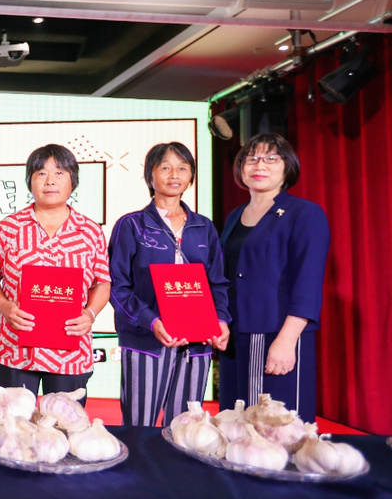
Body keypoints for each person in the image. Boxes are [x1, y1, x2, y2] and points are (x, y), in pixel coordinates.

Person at [108, 142, 230, 427]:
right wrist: (151, 321)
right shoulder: (132, 225)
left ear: (191, 176)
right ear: (150, 176)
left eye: (182, 168)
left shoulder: (203, 227)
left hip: (197, 342)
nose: (174, 175)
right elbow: (117, 286)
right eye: (165, 168)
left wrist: (221, 320)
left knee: (186, 428)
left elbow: (218, 282)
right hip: (146, 340)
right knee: (139, 425)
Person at [0, 144, 110, 400]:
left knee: (63, 421)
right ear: (30, 180)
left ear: (73, 180)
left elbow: (102, 283)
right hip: (15, 347)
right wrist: (5, 306)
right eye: (41, 173)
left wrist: (90, 314)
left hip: (70, 350)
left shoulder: (90, 231)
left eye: (59, 173)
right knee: (13, 422)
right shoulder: (10, 227)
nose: (50, 181)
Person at [219, 133, 329, 422]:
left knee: (275, 427)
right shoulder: (234, 216)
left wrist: (287, 340)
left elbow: (308, 282)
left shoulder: (304, 213)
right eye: (252, 158)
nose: (260, 165)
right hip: (234, 338)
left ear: (287, 167)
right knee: (235, 423)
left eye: (271, 158)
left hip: (275, 333)